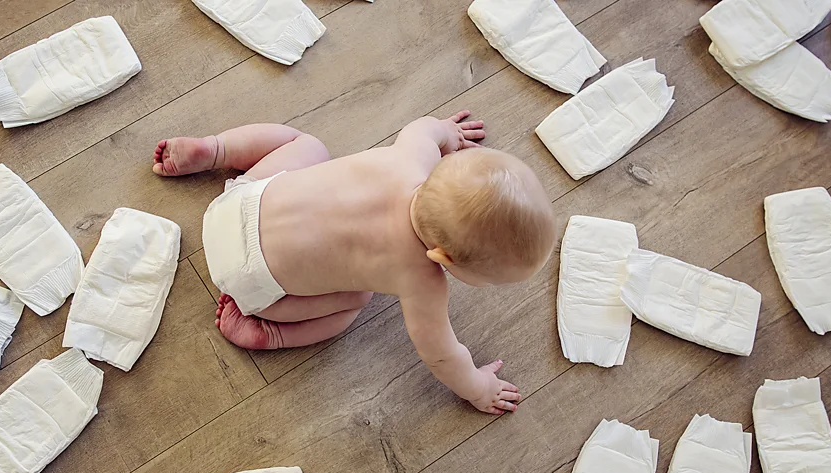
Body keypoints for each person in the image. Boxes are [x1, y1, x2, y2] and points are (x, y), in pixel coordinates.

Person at [152, 111, 555, 415]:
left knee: (310, 146)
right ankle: (270, 335)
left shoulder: (412, 155)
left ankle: (216, 149)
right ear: (443, 258)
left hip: (233, 208)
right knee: (355, 302)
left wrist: (448, 133)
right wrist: (479, 389)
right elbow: (443, 354)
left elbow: (426, 128)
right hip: (249, 282)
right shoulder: (421, 280)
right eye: (486, 280)